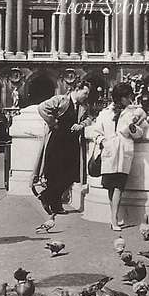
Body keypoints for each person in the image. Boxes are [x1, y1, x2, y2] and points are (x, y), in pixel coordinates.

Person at [86, 82, 146, 230]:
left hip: (123, 152)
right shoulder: (105, 113)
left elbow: (139, 134)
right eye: (127, 97)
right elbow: (95, 132)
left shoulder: (131, 113)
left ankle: (114, 219)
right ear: (120, 97)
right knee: (111, 187)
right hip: (109, 152)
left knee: (119, 186)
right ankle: (114, 218)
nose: (130, 99)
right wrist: (102, 141)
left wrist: (133, 129)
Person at [34, 80, 91, 216]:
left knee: (71, 175)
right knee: (55, 174)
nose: (86, 96)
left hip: (72, 144)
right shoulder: (61, 100)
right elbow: (42, 108)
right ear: (77, 89)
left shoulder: (83, 106)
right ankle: (56, 204)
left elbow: (89, 119)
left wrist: (81, 125)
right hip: (57, 141)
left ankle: (46, 196)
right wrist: (53, 122)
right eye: (85, 93)